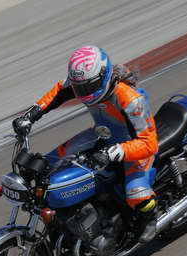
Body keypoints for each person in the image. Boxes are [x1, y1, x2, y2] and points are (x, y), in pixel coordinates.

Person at [12, 45, 159, 243]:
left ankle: (150, 217)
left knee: (136, 194)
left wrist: (115, 152)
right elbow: (56, 93)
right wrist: (30, 116)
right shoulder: (82, 82)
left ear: (104, 75)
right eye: (78, 87)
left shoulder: (131, 100)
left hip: (134, 148)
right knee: (50, 162)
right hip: (104, 135)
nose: (83, 92)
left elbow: (149, 144)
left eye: (88, 87)